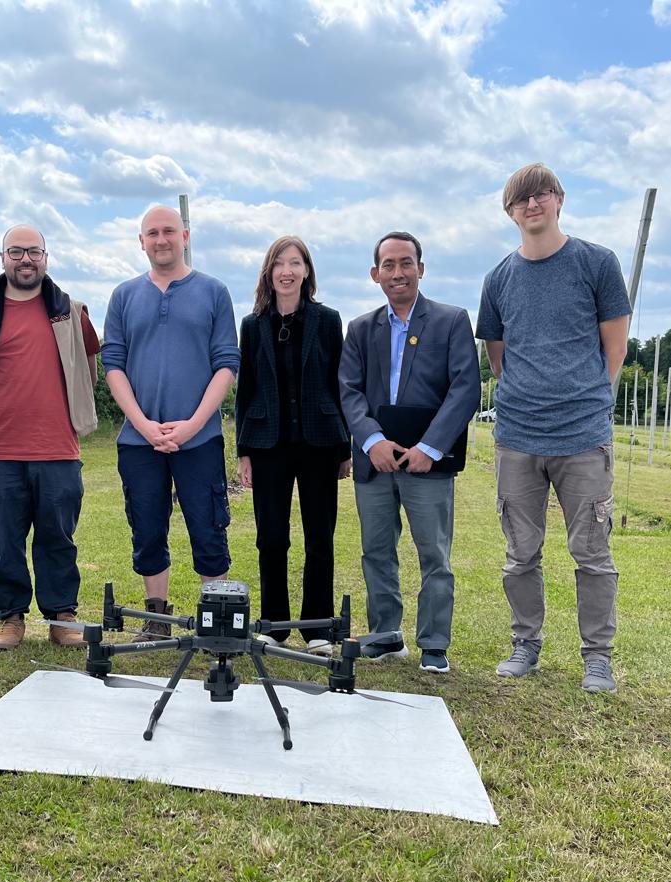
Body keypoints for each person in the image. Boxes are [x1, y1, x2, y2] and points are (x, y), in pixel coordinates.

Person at [476, 162, 631, 693]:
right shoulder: (498, 279)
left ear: (559, 199)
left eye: (541, 194)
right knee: (521, 553)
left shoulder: (596, 264)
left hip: (583, 437)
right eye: (522, 199)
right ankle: (526, 644)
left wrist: (587, 400)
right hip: (518, 437)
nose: (532, 204)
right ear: (511, 211)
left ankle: (598, 656)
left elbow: (616, 347)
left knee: (592, 552)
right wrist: (530, 398)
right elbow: (499, 359)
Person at [0, 225, 100, 651]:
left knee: (58, 538)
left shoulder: (70, 311)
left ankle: (61, 615)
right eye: (16, 252)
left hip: (58, 449)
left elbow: (89, 364)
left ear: (46, 257)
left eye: (34, 251)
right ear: (3, 258)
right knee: (4, 543)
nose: (26, 259)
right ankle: (10, 617)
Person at [339, 231, 480, 673]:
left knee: (434, 554)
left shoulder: (452, 321)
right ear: (375, 273)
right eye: (388, 265)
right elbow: (348, 391)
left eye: (406, 263)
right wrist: (372, 440)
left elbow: (465, 388)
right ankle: (385, 635)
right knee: (376, 550)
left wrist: (431, 447)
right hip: (376, 462)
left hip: (428, 465)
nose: (397, 273)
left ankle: (434, 643)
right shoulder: (360, 329)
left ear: (421, 268)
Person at [100, 205, 240, 633]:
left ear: (185, 236)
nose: (161, 240)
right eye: (152, 233)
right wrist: (142, 423)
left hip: (199, 439)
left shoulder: (214, 291)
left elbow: (226, 364)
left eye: (169, 231)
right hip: (140, 440)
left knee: (208, 525)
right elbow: (113, 364)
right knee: (146, 526)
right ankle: (156, 614)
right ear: (141, 241)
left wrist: (194, 423)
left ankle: (214, 616)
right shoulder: (124, 296)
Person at [235, 236, 351, 654]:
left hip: (320, 442)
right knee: (271, 537)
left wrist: (345, 448)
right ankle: (275, 625)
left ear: (307, 271)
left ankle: (318, 628)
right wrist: (243, 451)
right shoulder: (252, 325)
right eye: (279, 263)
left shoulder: (328, 320)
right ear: (269, 272)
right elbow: (245, 390)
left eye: (295, 263)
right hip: (268, 445)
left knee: (320, 536)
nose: (287, 271)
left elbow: (341, 385)